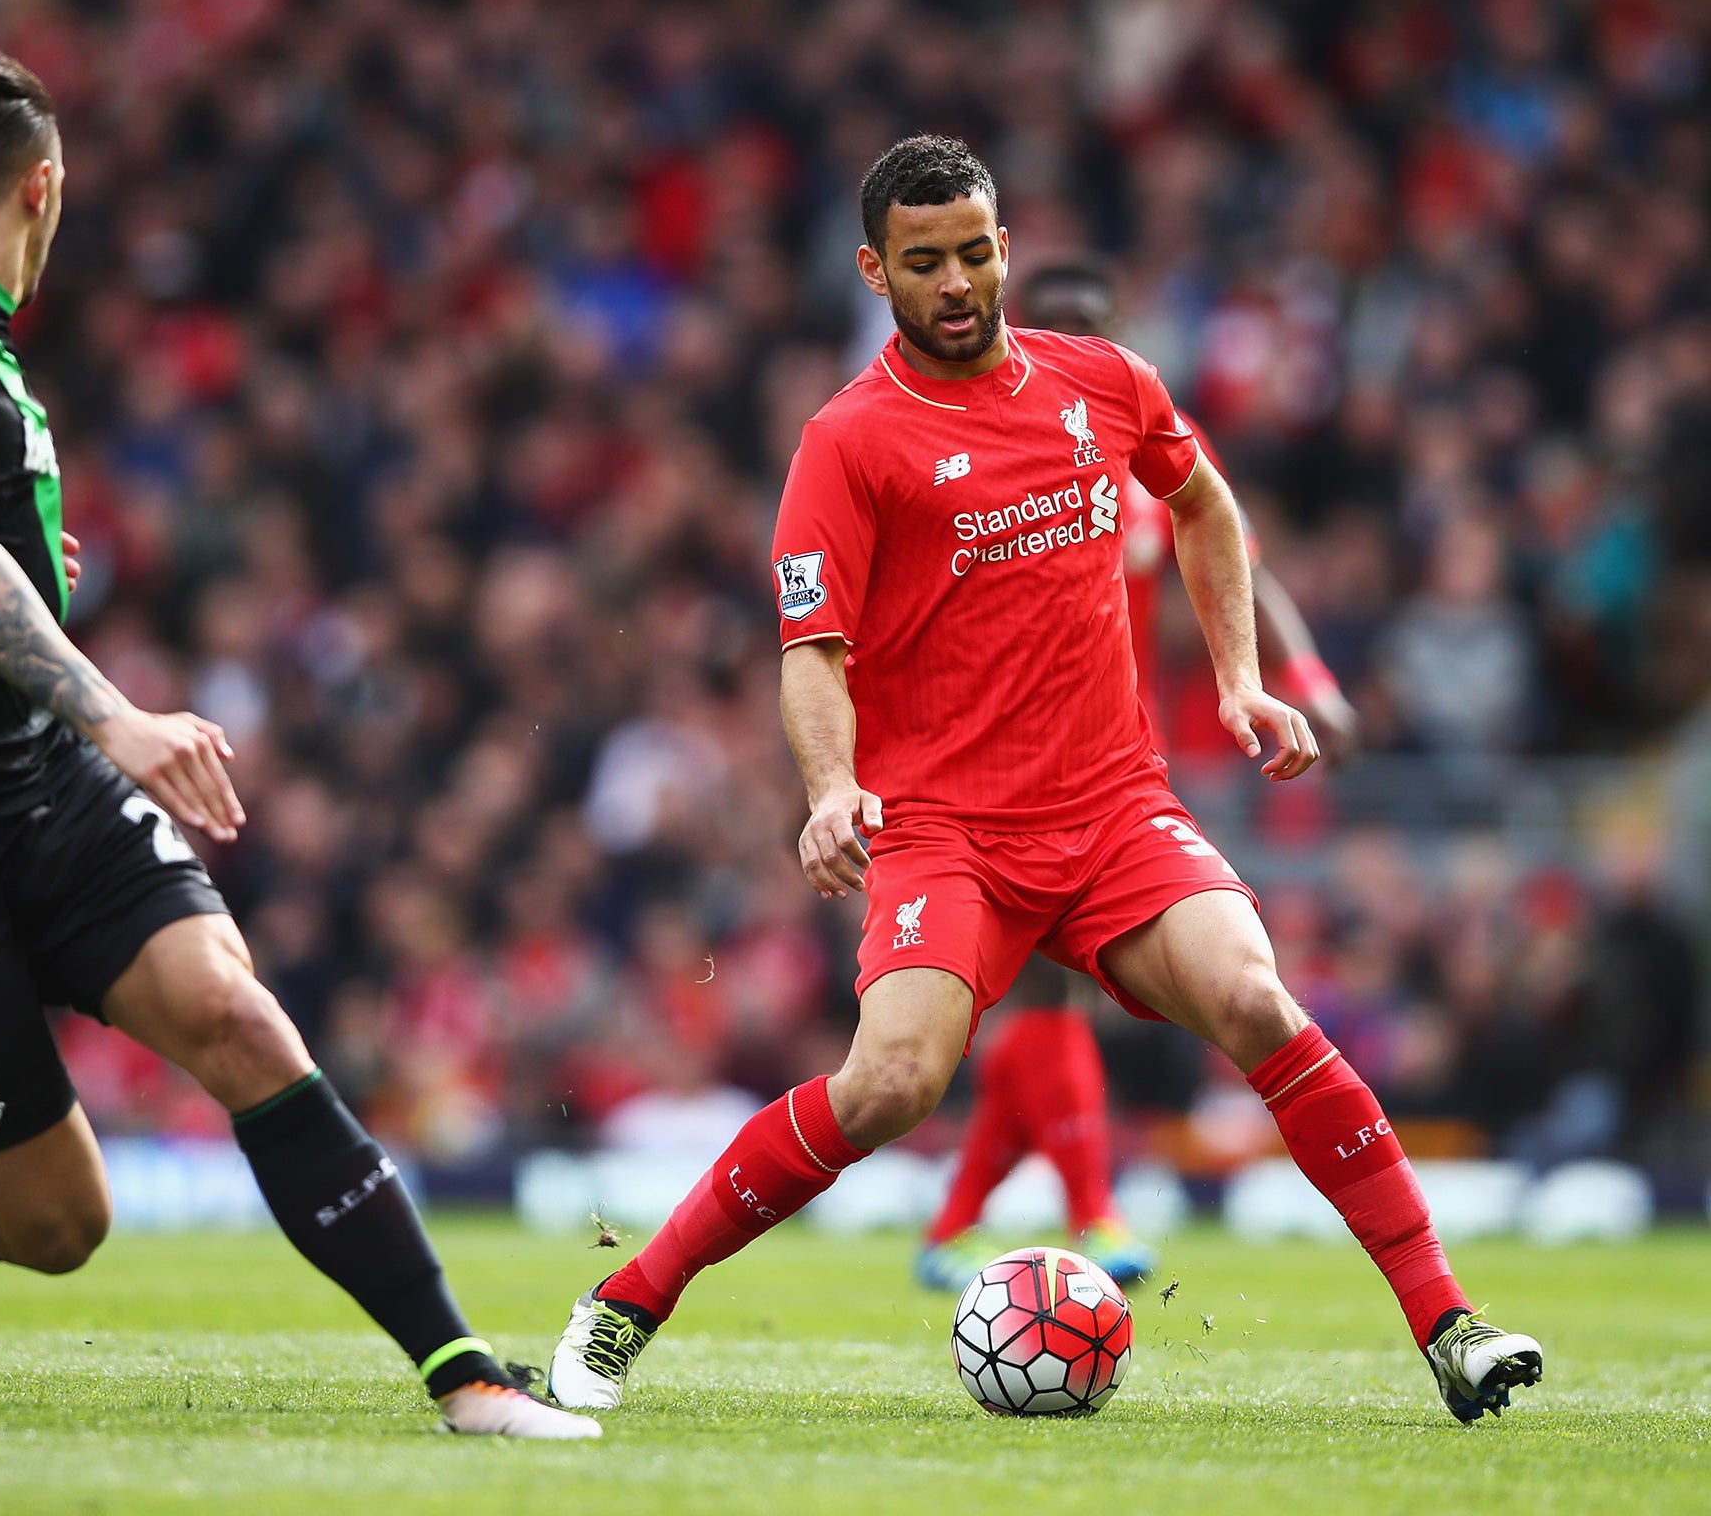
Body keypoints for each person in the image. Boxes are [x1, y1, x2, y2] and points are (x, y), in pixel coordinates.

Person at [546, 136, 1540, 1424]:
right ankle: (624, 1307)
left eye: (973, 252)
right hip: (948, 833)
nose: (955, 283)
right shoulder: (847, 443)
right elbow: (812, 650)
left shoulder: (1106, 381)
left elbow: (1208, 510)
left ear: (1004, 246)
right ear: (874, 271)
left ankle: (1449, 1327)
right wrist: (831, 787)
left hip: (1116, 811)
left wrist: (1239, 680)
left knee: (1257, 999)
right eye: (923, 263)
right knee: (892, 1085)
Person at [0, 54, 598, 1441]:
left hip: (29, 786)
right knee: (54, 1225)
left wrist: (30, 575)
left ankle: (462, 1371)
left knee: (239, 1017)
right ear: (42, 187)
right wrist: (112, 710)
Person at [911, 259, 1362, 1294]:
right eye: (1050, 326)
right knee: (1045, 1004)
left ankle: (962, 1223)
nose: (1069, 345)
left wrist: (1306, 680)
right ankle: (1090, 1212)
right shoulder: (973, 454)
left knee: (1051, 1009)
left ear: (1115, 340)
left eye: (1088, 328)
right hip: (989, 780)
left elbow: (1242, 559)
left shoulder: (1152, 463)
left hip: (1111, 775)